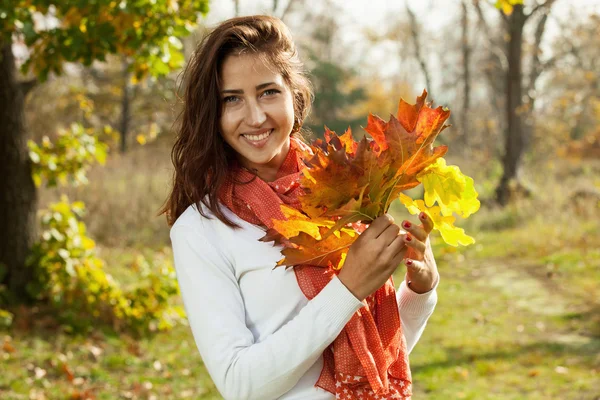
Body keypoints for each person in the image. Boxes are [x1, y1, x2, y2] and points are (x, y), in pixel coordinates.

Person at [162, 15, 440, 400]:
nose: (255, 116)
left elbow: (375, 359)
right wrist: (348, 288)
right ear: (213, 112)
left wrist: (420, 290)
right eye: (232, 99)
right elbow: (240, 385)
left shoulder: (346, 192)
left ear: (294, 94)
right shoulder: (202, 229)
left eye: (267, 92)